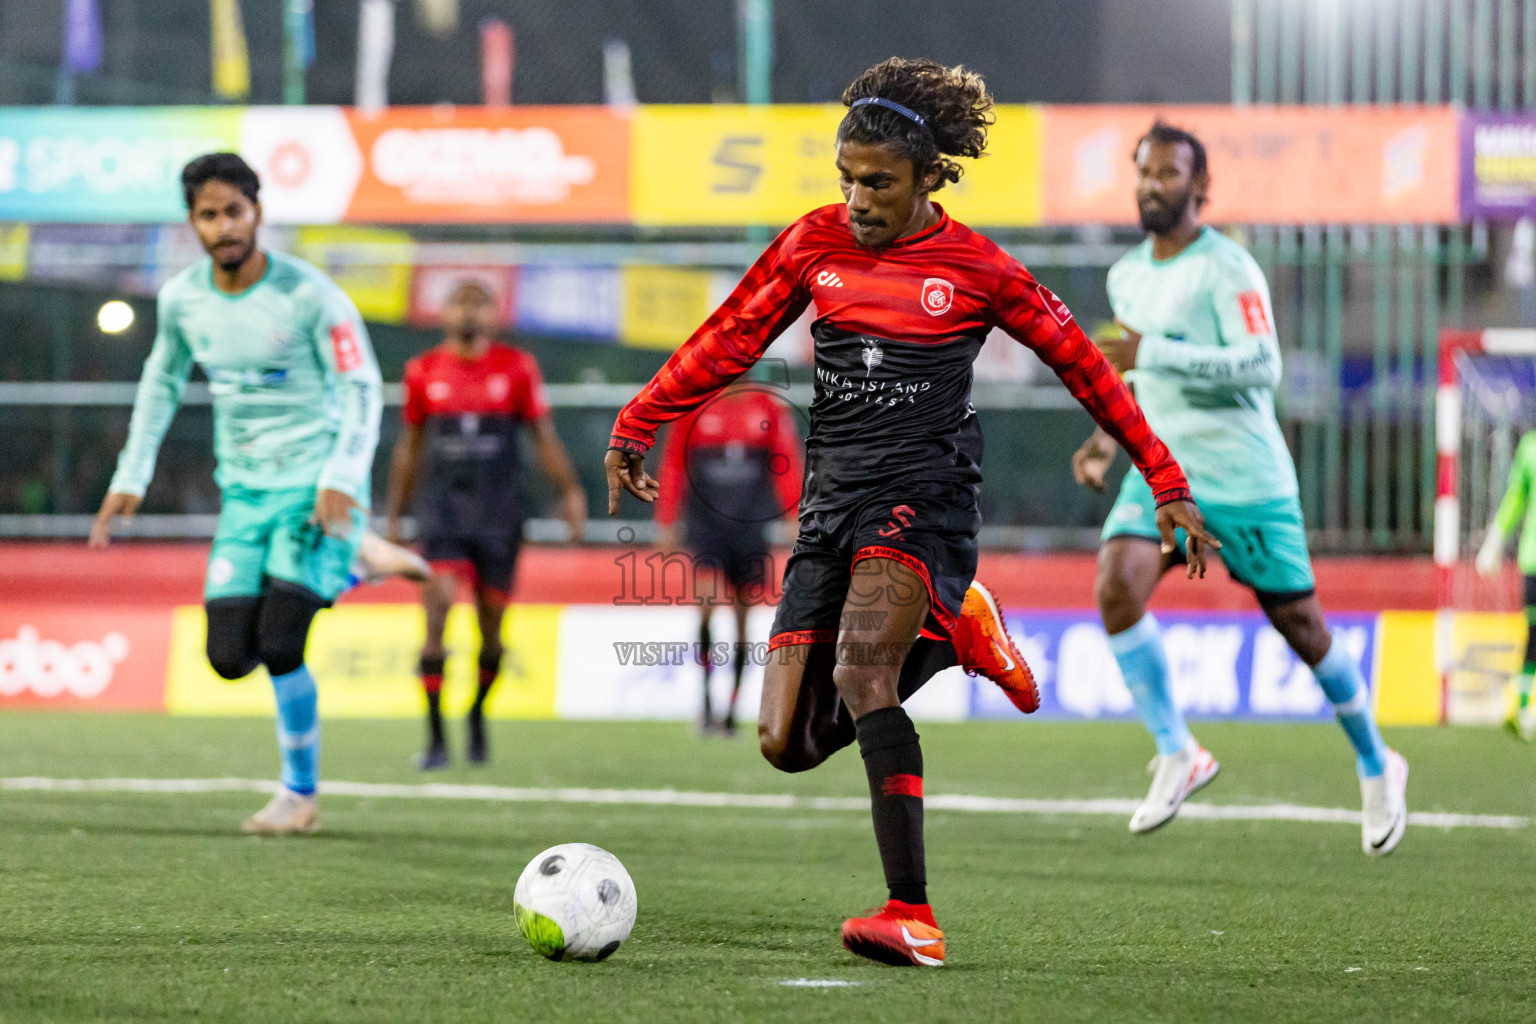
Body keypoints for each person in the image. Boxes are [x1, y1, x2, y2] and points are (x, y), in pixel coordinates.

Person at [605, 58, 1212, 967]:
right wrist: (640, 418)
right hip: (830, 502)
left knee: (860, 676)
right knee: (786, 742)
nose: (857, 199)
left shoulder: (977, 268)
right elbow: (729, 336)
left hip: (922, 496)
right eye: (847, 179)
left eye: (878, 183)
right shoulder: (813, 245)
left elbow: (1084, 363)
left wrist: (1165, 478)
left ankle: (912, 913)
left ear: (932, 177)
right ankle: (960, 631)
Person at [1071, 121, 1407, 854]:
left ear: (1201, 186)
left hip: (1245, 476)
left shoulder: (1229, 270)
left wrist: (1153, 349)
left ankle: (1379, 762)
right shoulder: (1126, 275)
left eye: (1168, 173)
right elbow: (1134, 375)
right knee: (1115, 584)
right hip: (1165, 471)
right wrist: (1105, 439)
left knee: (1303, 629)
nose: (1152, 184)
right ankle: (1177, 750)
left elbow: (1262, 366)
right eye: (1144, 172)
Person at [90, 152, 396, 834]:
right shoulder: (182, 301)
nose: (223, 226)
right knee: (230, 659)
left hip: (315, 488)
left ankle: (299, 796)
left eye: (235, 211)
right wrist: (131, 476)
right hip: (245, 497)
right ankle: (355, 561)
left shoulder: (312, 295)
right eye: (208, 215)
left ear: (258, 213)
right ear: (192, 224)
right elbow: (161, 384)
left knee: (282, 644)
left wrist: (343, 476)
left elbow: (361, 386)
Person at [385, 280, 587, 769]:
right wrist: (395, 512)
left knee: (490, 631)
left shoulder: (517, 368)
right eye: (458, 302)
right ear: (443, 312)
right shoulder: (423, 371)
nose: (468, 312)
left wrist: (571, 492)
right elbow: (410, 446)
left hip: (499, 514)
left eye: (478, 304)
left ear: (495, 314)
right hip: (442, 514)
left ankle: (475, 715)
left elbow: (542, 437)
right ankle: (435, 739)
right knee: (435, 614)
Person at [654, 379, 803, 736]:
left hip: (750, 526)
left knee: (742, 621)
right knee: (704, 607)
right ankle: (705, 703)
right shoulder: (694, 405)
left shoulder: (767, 407)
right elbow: (674, 463)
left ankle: (732, 710)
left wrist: (794, 515)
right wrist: (667, 519)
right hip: (706, 525)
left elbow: (787, 461)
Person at [1476, 428, 1536, 740]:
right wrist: (1494, 539)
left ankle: (1523, 706)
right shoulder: (1529, 447)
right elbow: (1516, 497)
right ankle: (1523, 707)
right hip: (1533, 559)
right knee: (1535, 633)